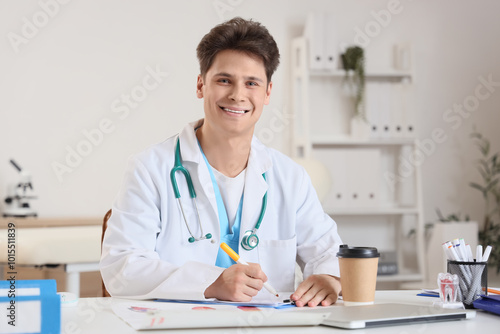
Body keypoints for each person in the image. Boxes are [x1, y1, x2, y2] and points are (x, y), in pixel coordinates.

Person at [100, 17, 342, 307]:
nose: (237, 95)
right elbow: (121, 268)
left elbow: (329, 253)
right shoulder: (149, 169)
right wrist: (212, 283)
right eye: (224, 80)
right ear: (201, 85)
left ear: (267, 93)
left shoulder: (290, 178)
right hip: (176, 326)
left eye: (251, 83)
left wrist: (329, 278)